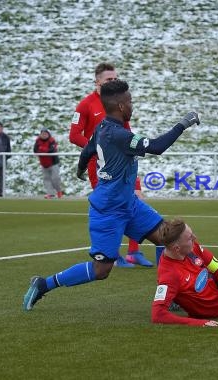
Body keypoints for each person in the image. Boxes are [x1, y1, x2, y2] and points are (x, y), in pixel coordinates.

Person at [22, 79, 201, 311]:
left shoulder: (103, 127)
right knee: (101, 270)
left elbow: (87, 150)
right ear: (121, 106)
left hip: (130, 205)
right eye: (130, 102)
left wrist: (80, 169)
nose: (132, 105)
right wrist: (183, 123)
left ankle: (172, 294)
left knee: (169, 238)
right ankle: (43, 284)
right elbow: (156, 146)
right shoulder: (120, 135)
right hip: (108, 211)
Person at [69, 62, 148, 268]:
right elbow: (74, 135)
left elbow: (127, 129)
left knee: (137, 197)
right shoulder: (85, 105)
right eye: (108, 80)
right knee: (114, 207)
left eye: (115, 79)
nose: (113, 82)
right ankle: (113, 254)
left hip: (125, 163)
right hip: (102, 167)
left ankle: (134, 251)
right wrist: (96, 148)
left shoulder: (118, 103)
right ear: (97, 81)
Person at [33, 128, 63, 199]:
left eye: (45, 134)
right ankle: (50, 194)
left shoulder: (52, 140)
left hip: (53, 163)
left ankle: (59, 191)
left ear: (48, 134)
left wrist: (42, 149)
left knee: (55, 178)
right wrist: (43, 150)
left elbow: (52, 150)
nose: (44, 135)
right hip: (43, 163)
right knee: (46, 179)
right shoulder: (38, 141)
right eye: (42, 133)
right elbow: (35, 150)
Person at [0, 120, 12, 197]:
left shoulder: (6, 137)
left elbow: (8, 150)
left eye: (0, 127)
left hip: (2, 161)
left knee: (1, 178)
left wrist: (6, 157)